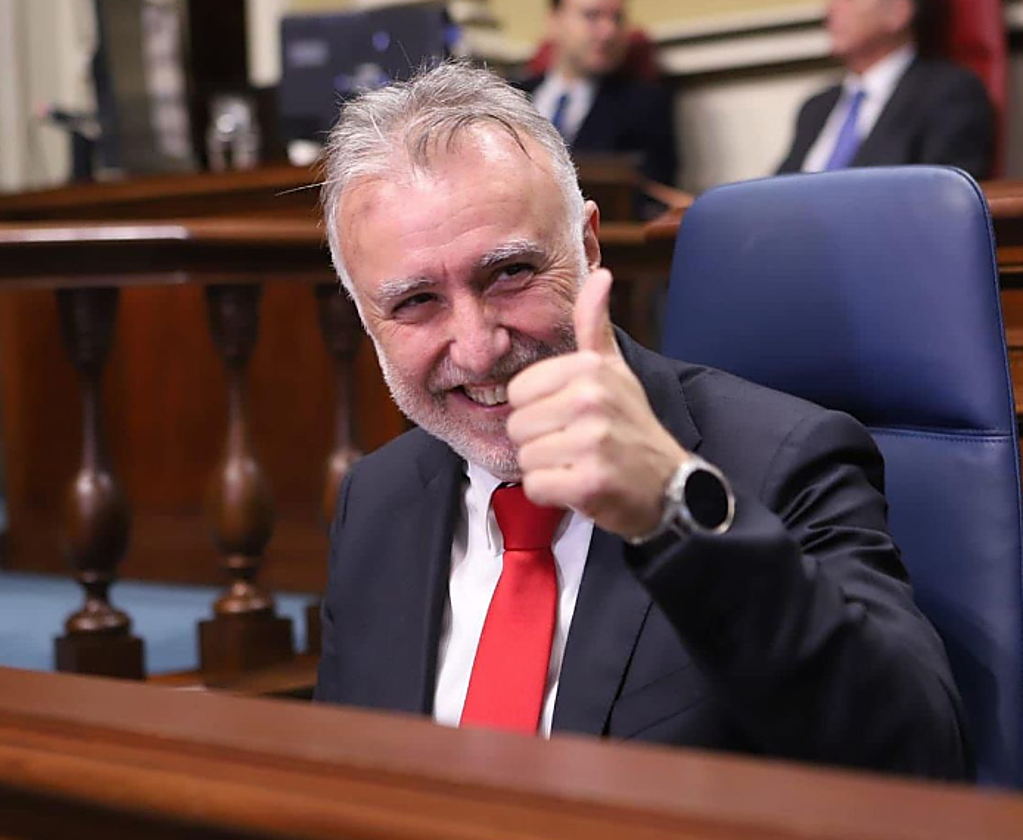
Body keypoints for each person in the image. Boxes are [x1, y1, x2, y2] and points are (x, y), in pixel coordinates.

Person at [314, 61, 969, 781]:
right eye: (416, 302)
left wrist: (672, 509)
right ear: (365, 317)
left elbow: (920, 759)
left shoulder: (780, 460)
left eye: (509, 273)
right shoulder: (374, 502)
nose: (477, 348)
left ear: (588, 246)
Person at [779, 0, 992, 177]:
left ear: (899, 11)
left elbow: (941, 198)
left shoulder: (948, 93)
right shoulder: (816, 107)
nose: (832, 8)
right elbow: (774, 193)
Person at [517, 0, 676, 193]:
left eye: (617, 19)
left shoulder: (645, 105)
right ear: (554, 20)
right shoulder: (509, 93)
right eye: (591, 16)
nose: (609, 32)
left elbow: (651, 192)